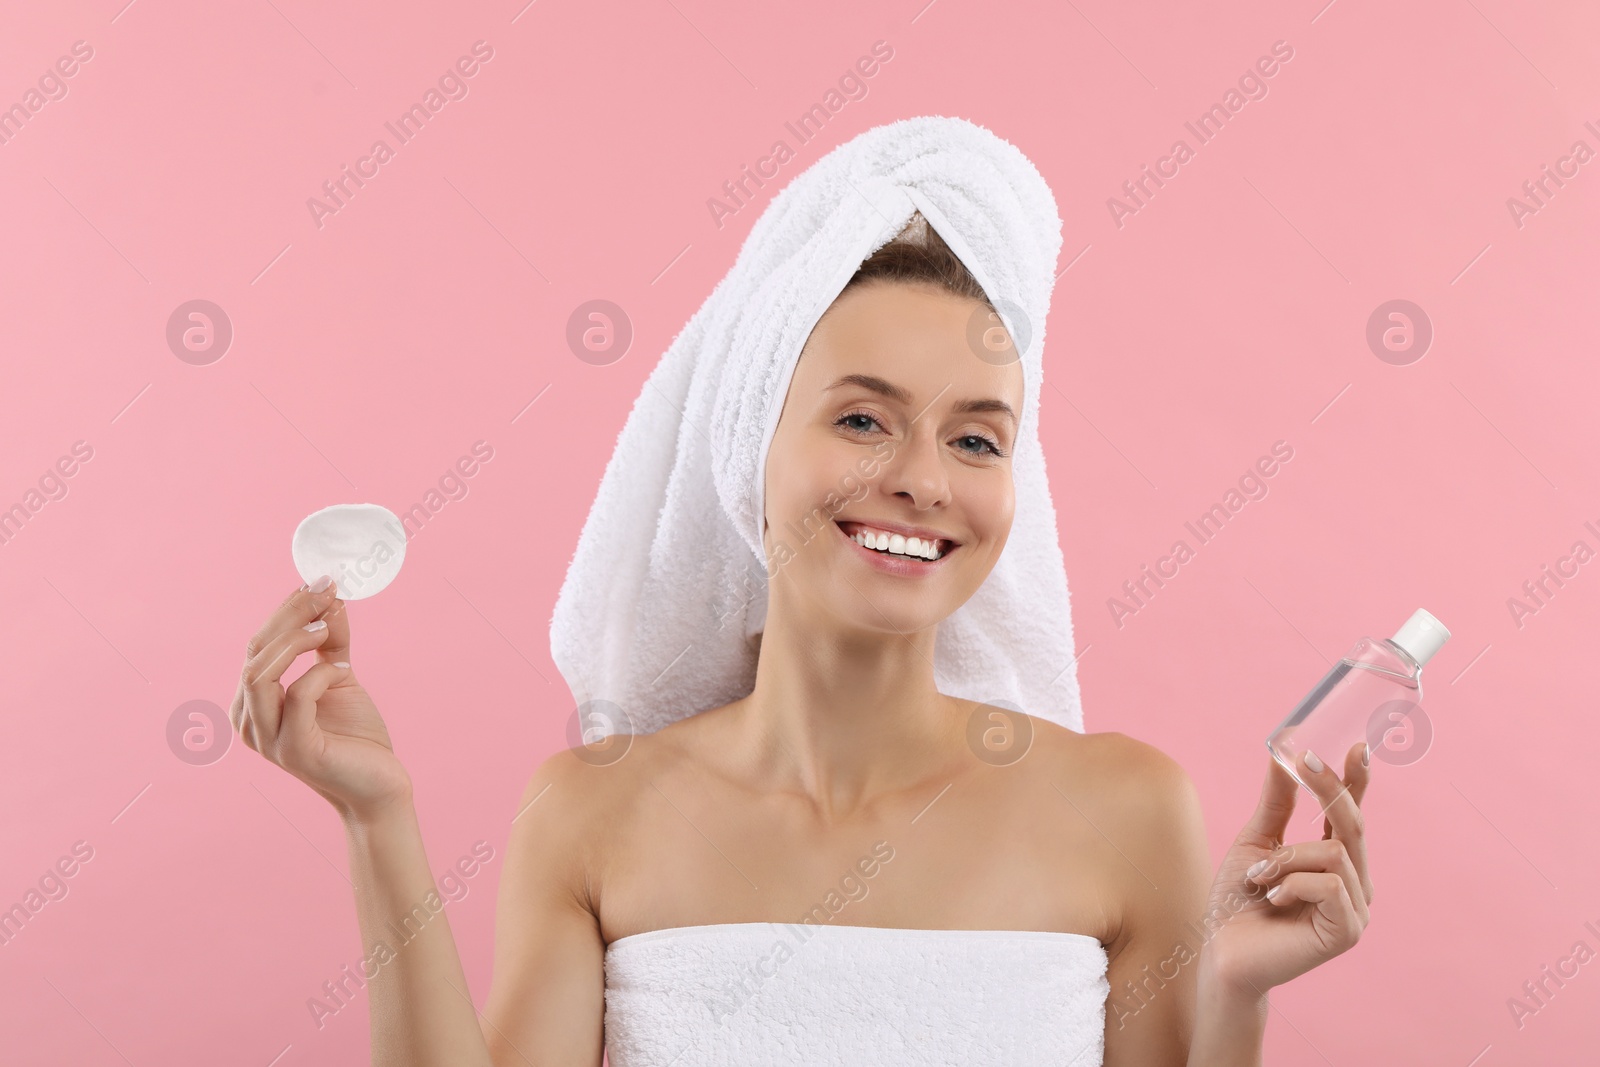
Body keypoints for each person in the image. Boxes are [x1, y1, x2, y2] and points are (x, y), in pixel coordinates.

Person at [232, 174, 1372, 1067]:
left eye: (976, 438)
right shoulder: (593, 812)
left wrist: (1231, 987)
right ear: (748, 448)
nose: (924, 479)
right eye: (863, 418)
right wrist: (376, 817)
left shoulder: (1126, 810)